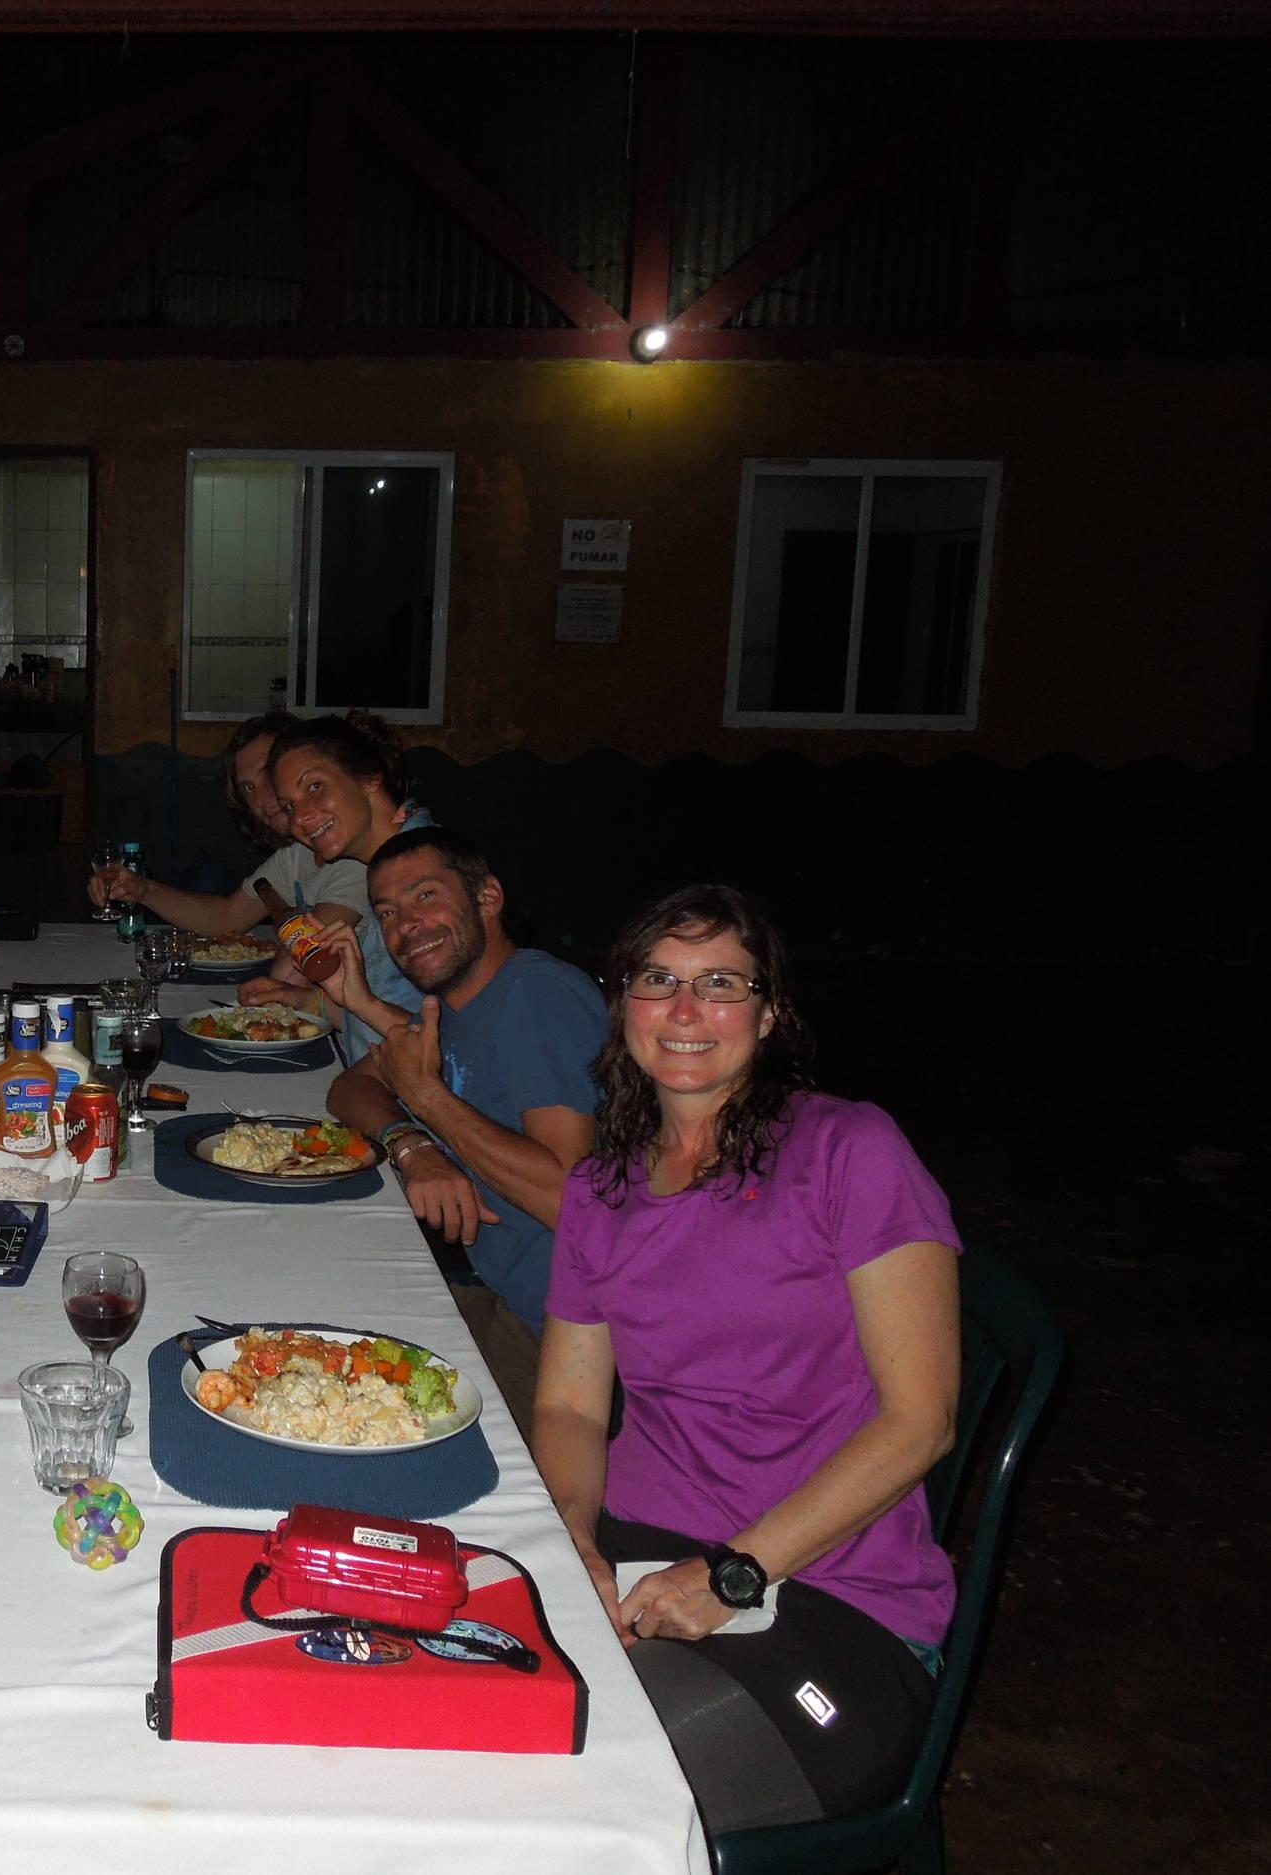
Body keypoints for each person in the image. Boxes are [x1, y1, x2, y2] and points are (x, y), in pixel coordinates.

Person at [532, 884, 959, 1836]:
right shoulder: (601, 1187)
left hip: (831, 1598)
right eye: (657, 980)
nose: (685, 1009)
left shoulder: (849, 1151)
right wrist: (576, 1541)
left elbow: (922, 1420)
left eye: (721, 983)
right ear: (623, 1004)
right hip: (637, 1556)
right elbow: (568, 1407)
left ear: (767, 1015)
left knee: (578, 1801)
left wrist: (735, 1573)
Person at [321, 827, 604, 1436]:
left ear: (488, 898)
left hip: (573, 1335)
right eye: (387, 913)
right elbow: (348, 1089)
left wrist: (429, 1099)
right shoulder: (460, 1008)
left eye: (426, 896)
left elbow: (572, 1203)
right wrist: (414, 1146)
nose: (406, 926)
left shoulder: (537, 997)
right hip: (499, 1290)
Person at [85, 710, 371, 945]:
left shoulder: (351, 853)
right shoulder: (297, 853)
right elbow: (228, 918)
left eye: (267, 774)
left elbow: (308, 955)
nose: (261, 800)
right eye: (248, 788)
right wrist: (143, 889)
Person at [240, 711, 433, 1039]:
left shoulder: (426, 875)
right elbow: (383, 1009)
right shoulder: (384, 865)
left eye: (314, 786)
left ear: (369, 776)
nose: (300, 817)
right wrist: (305, 1001)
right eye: (289, 806)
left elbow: (445, 1043)